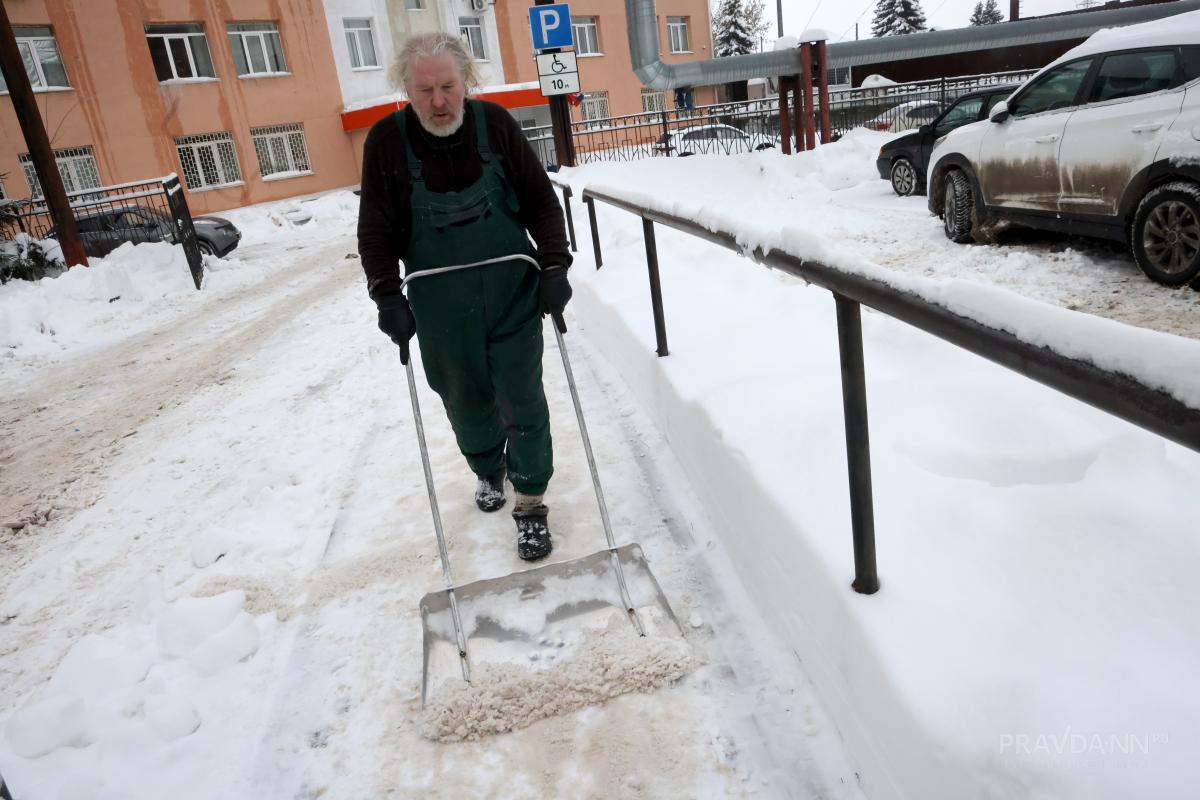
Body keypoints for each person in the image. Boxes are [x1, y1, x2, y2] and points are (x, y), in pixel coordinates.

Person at [357, 33, 573, 562]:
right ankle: (487, 468)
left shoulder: (495, 125)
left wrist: (554, 265)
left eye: (448, 86)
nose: (438, 101)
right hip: (438, 302)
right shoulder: (386, 142)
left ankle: (529, 502)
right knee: (464, 399)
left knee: (521, 396)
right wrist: (387, 295)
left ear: (467, 81)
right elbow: (377, 231)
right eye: (424, 89)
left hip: (510, 291)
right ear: (405, 88)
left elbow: (541, 203)